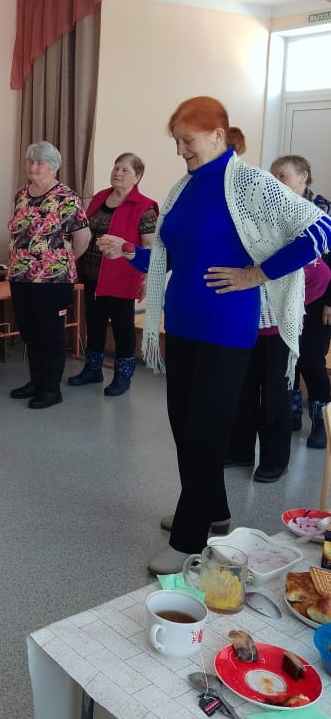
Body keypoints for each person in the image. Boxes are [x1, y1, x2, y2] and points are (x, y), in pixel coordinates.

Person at [98, 96, 331, 575]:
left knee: (205, 431)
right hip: (182, 325)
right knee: (185, 427)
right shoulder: (184, 188)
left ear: (219, 135)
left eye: (188, 140)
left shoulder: (249, 182)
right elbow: (170, 258)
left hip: (226, 330)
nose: (180, 150)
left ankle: (190, 538)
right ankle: (213, 509)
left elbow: (320, 229)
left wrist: (257, 274)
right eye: (176, 141)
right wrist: (129, 252)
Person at [227, 254, 330, 481]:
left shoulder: (286, 242)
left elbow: (321, 275)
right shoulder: (246, 243)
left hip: (279, 331)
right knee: (242, 392)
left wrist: (292, 303)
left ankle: (275, 460)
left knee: (275, 395)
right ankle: (239, 452)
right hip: (244, 325)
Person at [7, 141, 90, 409]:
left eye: (39, 163)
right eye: (30, 161)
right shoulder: (21, 195)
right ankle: (36, 381)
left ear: (53, 167)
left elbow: (83, 237)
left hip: (53, 280)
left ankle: (51, 389)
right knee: (29, 331)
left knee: (50, 333)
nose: (33, 166)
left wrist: (63, 261)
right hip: (20, 276)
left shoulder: (67, 197)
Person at [68, 153, 158, 396]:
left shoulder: (145, 207)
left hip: (122, 278)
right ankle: (93, 369)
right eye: (116, 167)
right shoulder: (100, 198)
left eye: (125, 170)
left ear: (137, 177)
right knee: (94, 326)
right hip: (92, 276)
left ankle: (122, 376)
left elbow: (150, 248)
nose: (118, 173)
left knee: (122, 329)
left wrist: (146, 280)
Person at [270, 154, 331, 448]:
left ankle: (322, 421)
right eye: (272, 176)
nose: (276, 181)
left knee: (310, 359)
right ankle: (291, 413)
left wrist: (330, 301)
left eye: (282, 175)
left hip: (319, 302)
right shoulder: (272, 211)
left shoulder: (324, 212)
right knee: (286, 356)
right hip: (284, 298)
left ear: (303, 176)